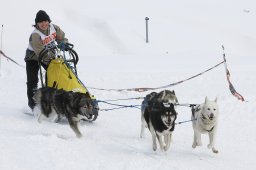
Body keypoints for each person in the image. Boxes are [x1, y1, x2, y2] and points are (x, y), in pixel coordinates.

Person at [24, 10, 68, 110]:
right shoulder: (35, 35)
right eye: (40, 22)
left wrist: (64, 44)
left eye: (45, 21)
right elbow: (40, 52)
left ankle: (53, 99)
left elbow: (62, 38)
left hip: (49, 55)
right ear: (37, 24)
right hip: (33, 58)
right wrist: (53, 60)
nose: (43, 24)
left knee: (55, 76)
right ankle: (33, 105)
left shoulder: (54, 28)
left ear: (48, 21)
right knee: (32, 81)